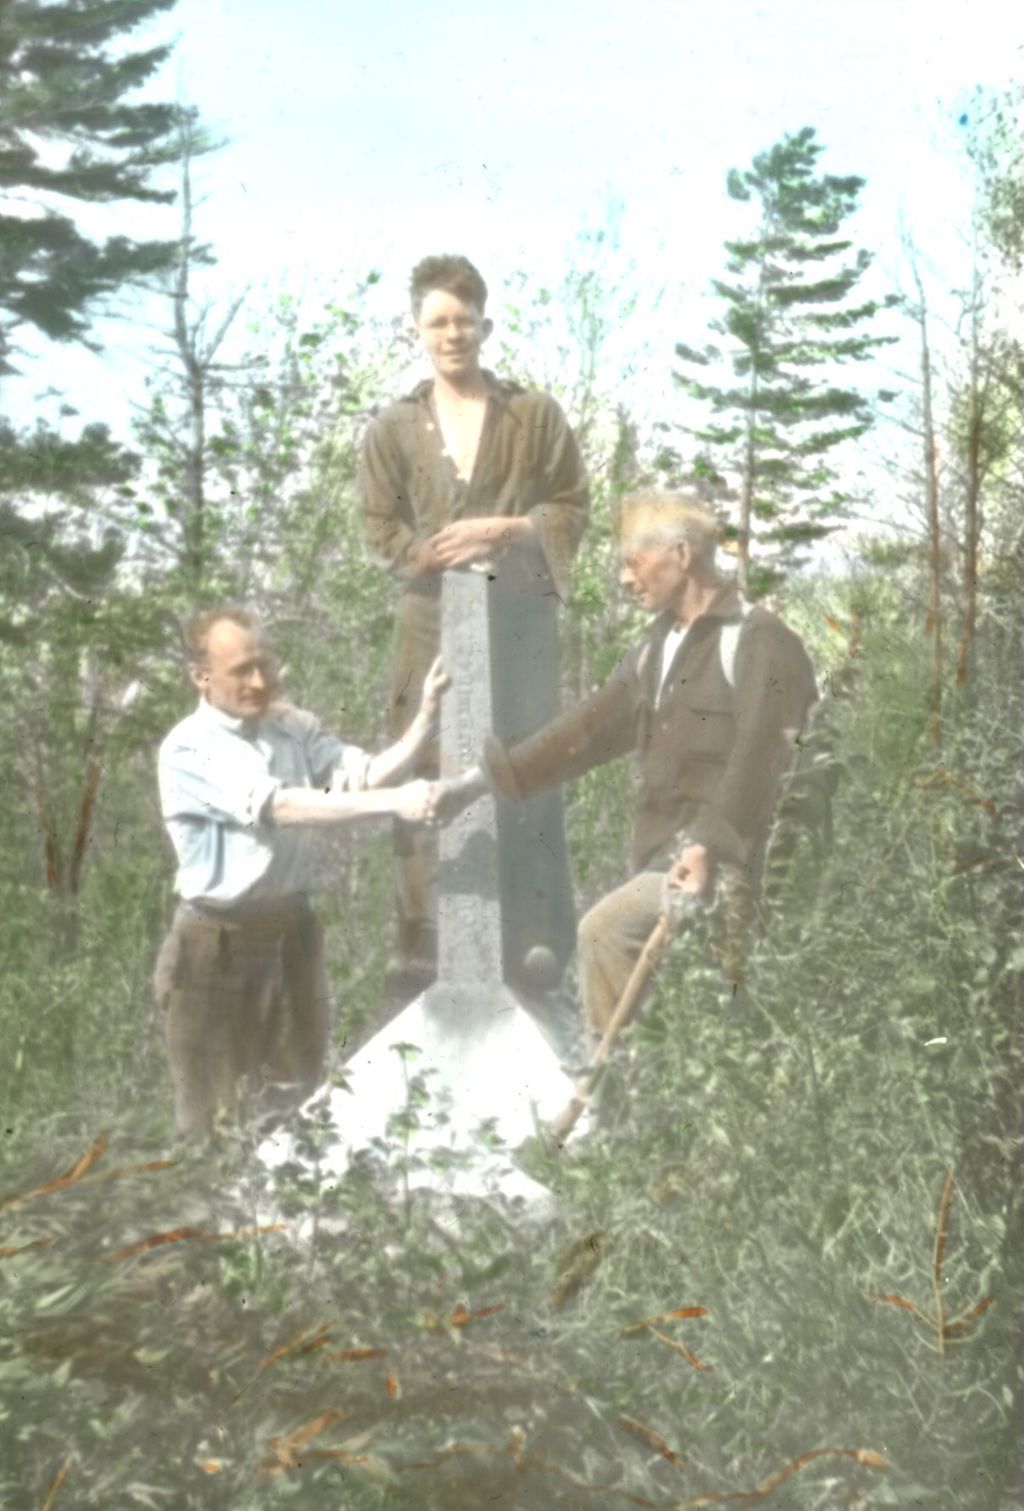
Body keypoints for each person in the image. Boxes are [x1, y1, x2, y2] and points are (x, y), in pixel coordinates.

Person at [477, 491, 819, 1044]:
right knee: (684, 1024)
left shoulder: (761, 642)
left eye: (632, 561)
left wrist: (709, 845)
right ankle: (636, 1109)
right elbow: (590, 729)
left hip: (734, 873)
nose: (624, 579)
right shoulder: (654, 650)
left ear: (681, 555)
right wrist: (500, 775)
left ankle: (615, 1111)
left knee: (605, 934)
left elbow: (764, 757)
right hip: (664, 866)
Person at [359, 253, 588, 995]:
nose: (452, 333)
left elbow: (572, 507)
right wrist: (430, 551)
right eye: (437, 321)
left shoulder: (535, 415)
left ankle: (533, 952)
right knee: (426, 767)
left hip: (516, 620)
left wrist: (511, 528)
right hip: (430, 623)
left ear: (485, 323)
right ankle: (424, 959)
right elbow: (379, 529)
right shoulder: (393, 428)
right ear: (416, 331)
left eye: (464, 318)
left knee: (523, 763)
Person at [154, 607, 445, 1136]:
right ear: (201, 678)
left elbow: (355, 776)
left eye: (264, 664)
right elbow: (281, 807)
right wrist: (395, 803)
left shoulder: (291, 724)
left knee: (294, 1112)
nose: (260, 681)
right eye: (241, 670)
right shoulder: (189, 747)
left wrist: (424, 720)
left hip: (292, 938)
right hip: (215, 949)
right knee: (211, 1129)